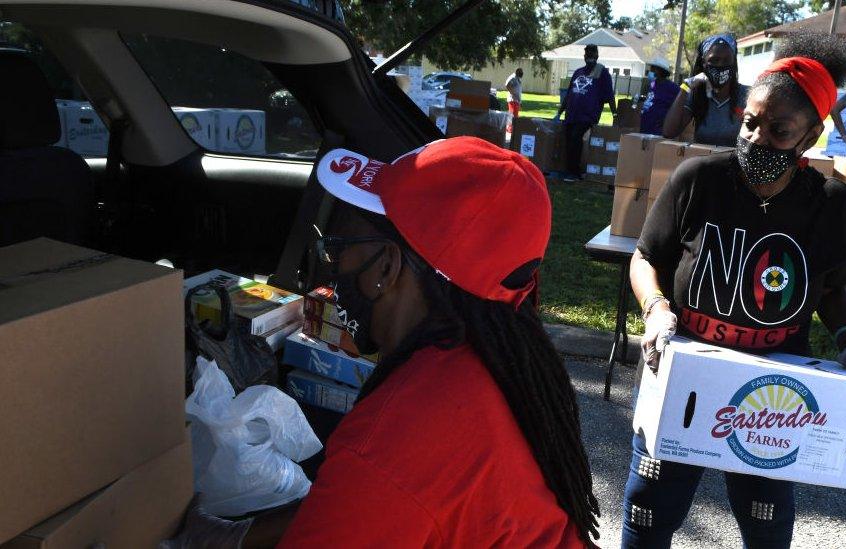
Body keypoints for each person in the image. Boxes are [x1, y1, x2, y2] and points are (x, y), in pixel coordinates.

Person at [162, 137, 602, 547]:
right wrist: (239, 538)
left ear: (386, 268)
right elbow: (353, 506)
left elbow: (379, 484)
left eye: (339, 247)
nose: (332, 267)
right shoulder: (491, 363)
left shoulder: (393, 440)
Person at [624, 32, 846, 548]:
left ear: (809, 137)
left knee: (766, 519)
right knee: (649, 509)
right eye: (750, 123)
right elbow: (646, 257)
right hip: (685, 370)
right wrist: (655, 310)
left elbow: (832, 288)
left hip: (774, 392)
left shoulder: (831, 203)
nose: (757, 139)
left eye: (779, 131)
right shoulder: (700, 178)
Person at [662, 33, 749, 146]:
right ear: (704, 63)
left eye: (726, 60)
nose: (720, 65)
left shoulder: (747, 96)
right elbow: (669, 132)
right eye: (714, 60)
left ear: (734, 63)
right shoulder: (697, 95)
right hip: (704, 162)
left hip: (734, 162)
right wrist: (685, 87)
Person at [555, 44, 616, 181]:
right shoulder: (578, 72)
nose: (589, 56)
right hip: (572, 114)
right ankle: (569, 169)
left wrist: (615, 114)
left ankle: (574, 173)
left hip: (588, 115)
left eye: (592, 54)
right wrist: (560, 112)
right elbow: (569, 94)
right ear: (584, 56)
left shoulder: (601, 72)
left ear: (597, 56)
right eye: (587, 54)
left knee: (576, 138)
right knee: (569, 139)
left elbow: (609, 95)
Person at [639, 58, 680, 136]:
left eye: (653, 69)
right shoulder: (651, 85)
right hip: (645, 129)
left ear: (661, 71)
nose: (650, 71)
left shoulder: (672, 88)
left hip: (659, 132)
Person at [506, 67, 524, 133]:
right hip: (512, 99)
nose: (522, 74)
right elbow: (507, 85)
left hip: (517, 100)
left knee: (515, 115)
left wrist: (520, 101)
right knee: (512, 114)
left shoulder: (517, 78)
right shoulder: (513, 77)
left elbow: (518, 90)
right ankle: (510, 129)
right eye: (521, 72)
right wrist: (511, 92)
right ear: (517, 72)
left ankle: (513, 128)